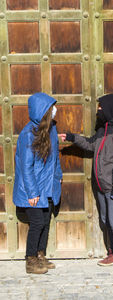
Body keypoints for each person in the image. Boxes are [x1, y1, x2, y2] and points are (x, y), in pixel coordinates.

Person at [60, 93, 113, 281]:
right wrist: (71, 137)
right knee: (105, 220)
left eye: (101, 107)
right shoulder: (104, 130)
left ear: (110, 107)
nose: (98, 111)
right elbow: (90, 144)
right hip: (102, 186)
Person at [13, 92, 63, 274]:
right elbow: (26, 167)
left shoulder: (51, 130)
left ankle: (41, 254)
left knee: (46, 221)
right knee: (37, 223)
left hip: (48, 185)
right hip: (33, 188)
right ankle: (31, 259)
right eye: (51, 108)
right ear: (42, 111)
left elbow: (55, 158)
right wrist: (32, 193)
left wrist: (58, 177)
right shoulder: (28, 134)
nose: (54, 111)